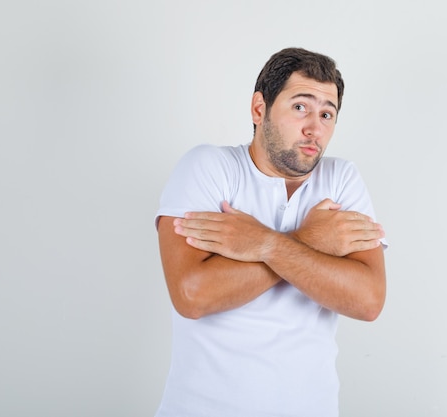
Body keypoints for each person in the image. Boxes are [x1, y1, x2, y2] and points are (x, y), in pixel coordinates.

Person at [154, 47, 387, 417]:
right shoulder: (209, 168)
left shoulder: (340, 179)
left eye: (327, 113)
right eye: (300, 107)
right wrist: (311, 238)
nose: (315, 128)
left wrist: (263, 243)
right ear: (259, 109)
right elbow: (192, 296)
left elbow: (368, 300)